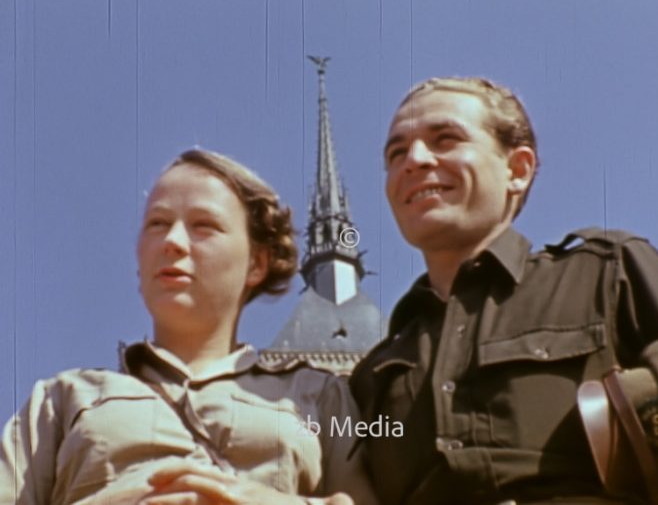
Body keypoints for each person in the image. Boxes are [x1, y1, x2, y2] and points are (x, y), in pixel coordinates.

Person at [349, 77, 658, 505]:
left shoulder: (606, 273)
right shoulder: (374, 375)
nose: (414, 160)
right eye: (396, 152)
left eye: (445, 139)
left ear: (517, 170)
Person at [0, 148, 377, 505]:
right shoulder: (61, 401)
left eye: (203, 226)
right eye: (157, 224)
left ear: (256, 264)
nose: (172, 241)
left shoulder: (320, 397)